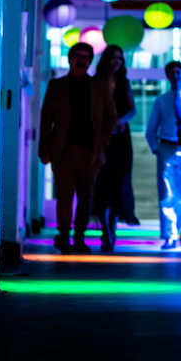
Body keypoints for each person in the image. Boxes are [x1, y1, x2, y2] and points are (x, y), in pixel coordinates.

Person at [38, 42, 117, 254]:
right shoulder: (56, 85)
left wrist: (102, 142)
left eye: (86, 56)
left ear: (90, 61)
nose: (81, 60)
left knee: (86, 195)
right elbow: (46, 119)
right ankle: (64, 235)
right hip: (62, 150)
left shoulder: (99, 86)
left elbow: (111, 117)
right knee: (64, 193)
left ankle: (80, 238)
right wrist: (44, 149)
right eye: (77, 55)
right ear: (70, 58)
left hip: (91, 152)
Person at [145, 61, 181, 250]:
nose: (175, 76)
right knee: (167, 194)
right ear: (167, 76)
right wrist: (155, 148)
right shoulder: (162, 100)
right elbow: (150, 128)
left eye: (178, 72)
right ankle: (170, 235)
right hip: (166, 148)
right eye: (172, 73)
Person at [91, 45, 137, 252]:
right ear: (106, 59)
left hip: (120, 137)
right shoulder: (96, 82)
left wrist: (120, 120)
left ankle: (112, 227)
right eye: (113, 57)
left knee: (119, 183)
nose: (116, 60)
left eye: (120, 57)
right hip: (102, 137)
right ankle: (104, 230)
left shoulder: (124, 83)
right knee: (103, 183)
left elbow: (132, 110)